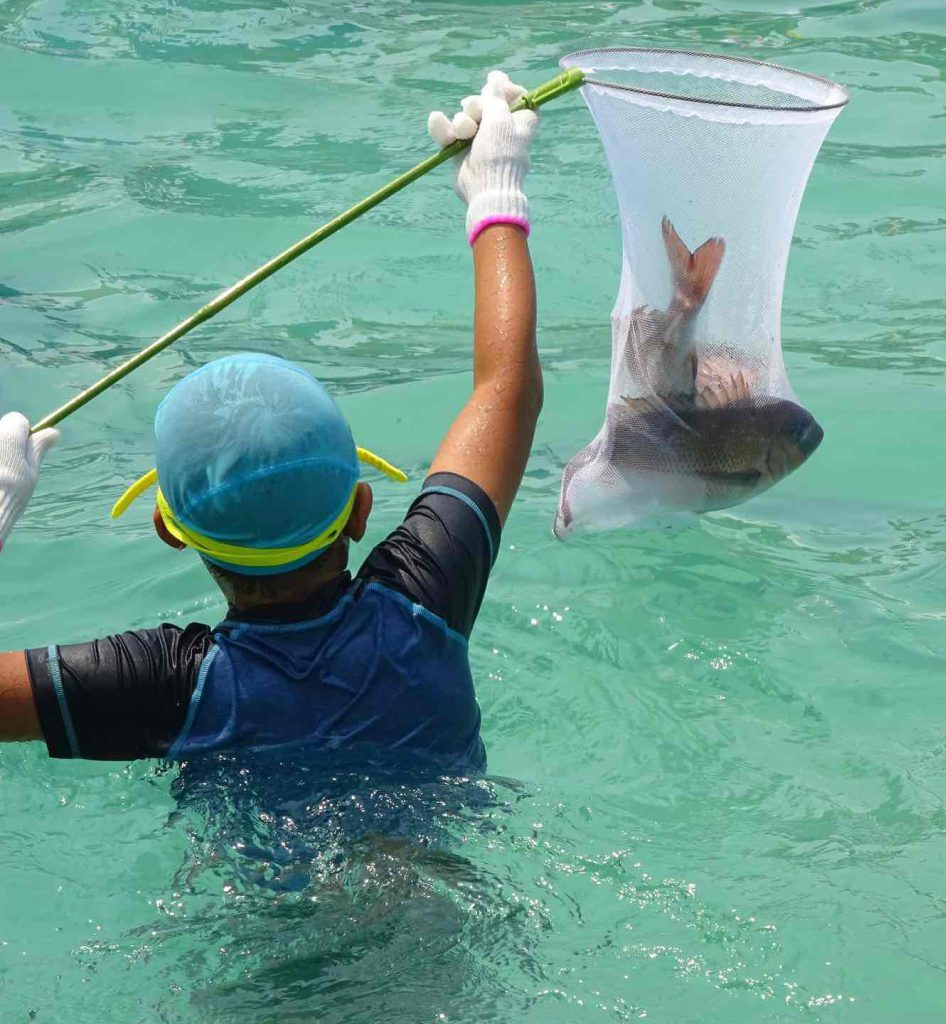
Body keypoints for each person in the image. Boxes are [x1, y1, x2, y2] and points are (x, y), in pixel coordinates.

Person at [0, 71, 541, 771]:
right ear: (358, 509)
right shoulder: (425, 601)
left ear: (167, 528)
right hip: (444, 873)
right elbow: (508, 389)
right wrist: (497, 190)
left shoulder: (163, 685)